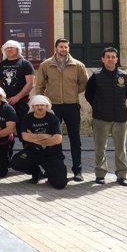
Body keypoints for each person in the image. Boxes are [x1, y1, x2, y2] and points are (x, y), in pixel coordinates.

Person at [35, 38, 88, 182]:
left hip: (72, 105)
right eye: (61, 47)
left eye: (66, 47)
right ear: (56, 48)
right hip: (53, 107)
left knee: (75, 139)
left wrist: (72, 92)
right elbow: (39, 85)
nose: (63, 49)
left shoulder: (78, 65)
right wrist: (42, 102)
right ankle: (52, 168)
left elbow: (84, 83)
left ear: (68, 48)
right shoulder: (46, 65)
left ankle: (77, 170)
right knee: (52, 138)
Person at [85, 47, 127, 186]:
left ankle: (122, 175)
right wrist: (99, 107)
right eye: (108, 56)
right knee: (100, 148)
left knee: (121, 148)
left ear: (117, 59)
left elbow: (126, 94)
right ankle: (100, 174)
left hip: (120, 118)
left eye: (113, 57)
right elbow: (89, 95)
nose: (111, 59)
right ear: (103, 59)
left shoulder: (123, 76)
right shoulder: (96, 76)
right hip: (101, 118)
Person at [11, 95, 68, 189]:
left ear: (47, 106)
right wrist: (47, 137)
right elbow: (25, 137)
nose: (40, 107)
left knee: (60, 184)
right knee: (16, 162)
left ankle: (50, 174)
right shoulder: (27, 118)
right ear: (32, 107)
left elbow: (57, 139)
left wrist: (34, 137)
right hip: (33, 152)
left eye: (42, 105)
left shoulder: (53, 119)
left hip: (51, 155)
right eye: (37, 105)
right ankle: (36, 173)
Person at [0, 40, 35, 136]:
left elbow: (30, 83)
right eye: (7, 47)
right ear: (4, 50)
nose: (10, 49)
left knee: (23, 129)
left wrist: (17, 97)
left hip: (22, 102)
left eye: (12, 47)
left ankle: (28, 150)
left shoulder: (25, 64)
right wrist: (1, 98)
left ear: (18, 49)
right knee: (3, 129)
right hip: (3, 103)